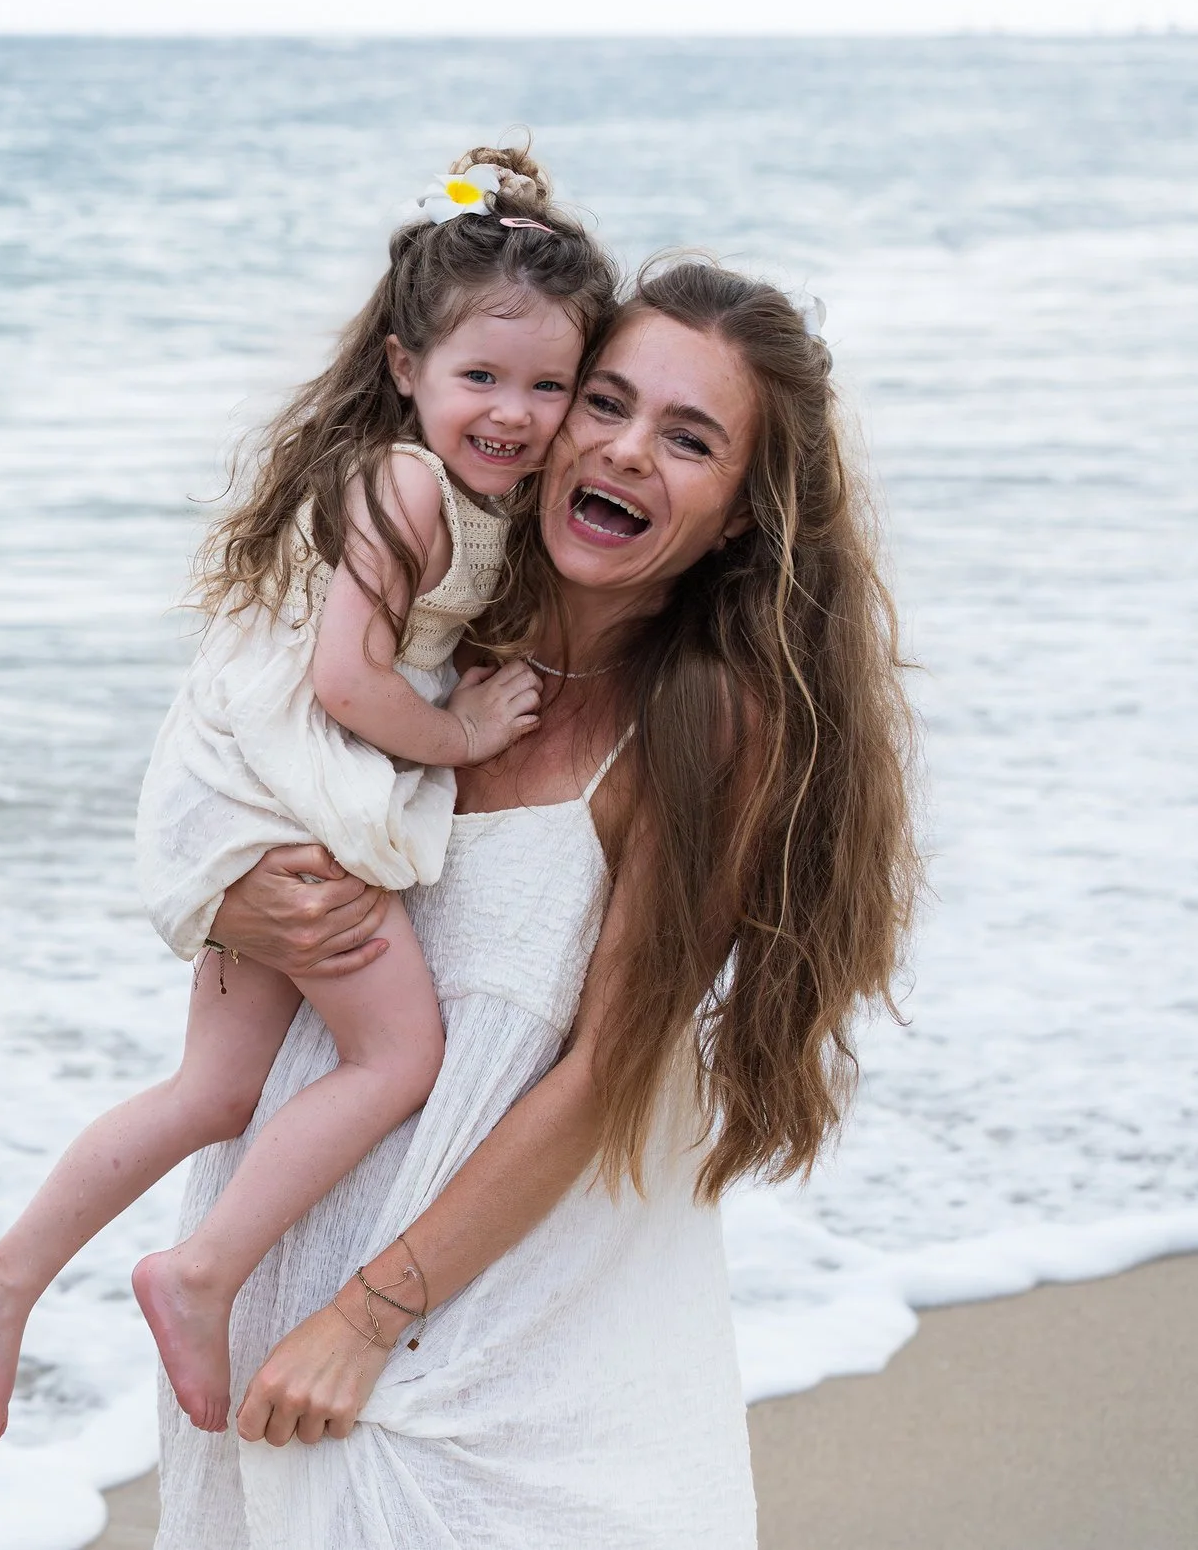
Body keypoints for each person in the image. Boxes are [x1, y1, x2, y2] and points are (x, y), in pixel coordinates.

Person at [153, 259, 921, 1547]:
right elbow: (218, 797)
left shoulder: (710, 723)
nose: (623, 450)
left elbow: (606, 1071)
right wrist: (235, 913)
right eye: (603, 402)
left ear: (741, 512)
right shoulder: (424, 632)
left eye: (688, 438)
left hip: (479, 1362)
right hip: (260, 1307)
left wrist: (366, 1318)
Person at [0, 148, 620, 1442]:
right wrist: (462, 731)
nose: (518, 412)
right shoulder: (410, 483)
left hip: (241, 782)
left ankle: (9, 1266)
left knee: (214, 1090)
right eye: (482, 376)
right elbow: (351, 678)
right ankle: (198, 1274)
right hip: (279, 788)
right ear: (403, 364)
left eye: (551, 384)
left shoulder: (445, 479)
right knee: (397, 1054)